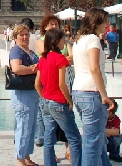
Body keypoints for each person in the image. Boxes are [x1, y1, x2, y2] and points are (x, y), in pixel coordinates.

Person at [71, 8, 114, 166]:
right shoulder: (93, 40)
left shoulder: (79, 39)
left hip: (78, 91)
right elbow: (94, 68)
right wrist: (104, 95)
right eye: (105, 21)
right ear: (96, 22)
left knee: (94, 140)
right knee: (93, 143)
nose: (108, 24)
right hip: (92, 93)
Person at [36, 28, 82, 166]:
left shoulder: (42, 59)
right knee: (74, 138)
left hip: (46, 102)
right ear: (56, 41)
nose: (64, 42)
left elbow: (37, 84)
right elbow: (62, 84)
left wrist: (44, 96)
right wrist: (70, 101)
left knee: (48, 139)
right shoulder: (60, 59)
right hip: (59, 102)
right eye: (63, 39)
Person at [35, 14, 73, 156]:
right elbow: (47, 55)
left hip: (57, 83)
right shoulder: (42, 43)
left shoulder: (63, 41)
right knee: (68, 129)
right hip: (53, 87)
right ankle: (56, 154)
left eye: (56, 24)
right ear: (45, 27)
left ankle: (64, 151)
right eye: (51, 24)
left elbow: (73, 56)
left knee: (55, 127)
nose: (54, 26)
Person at [8, 24, 40, 166]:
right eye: (22, 35)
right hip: (23, 93)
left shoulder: (30, 51)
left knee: (30, 126)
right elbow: (16, 68)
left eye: (27, 34)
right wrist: (33, 69)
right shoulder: (16, 51)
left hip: (32, 92)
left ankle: (26, 156)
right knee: (23, 125)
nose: (25, 37)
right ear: (15, 37)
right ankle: (20, 159)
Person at [105, 98, 122, 163]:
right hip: (104, 139)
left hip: (111, 138)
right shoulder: (101, 118)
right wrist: (110, 131)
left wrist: (105, 131)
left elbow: (116, 132)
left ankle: (114, 155)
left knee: (117, 138)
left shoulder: (116, 119)